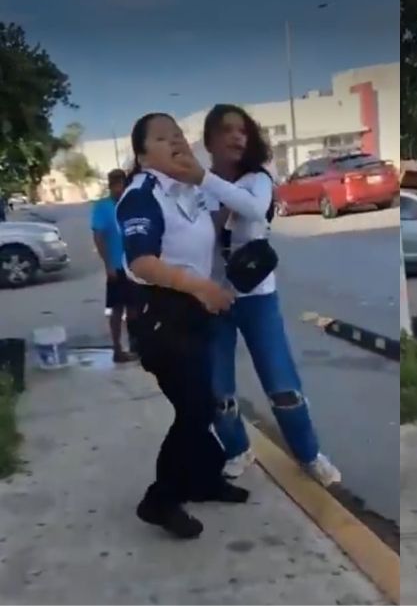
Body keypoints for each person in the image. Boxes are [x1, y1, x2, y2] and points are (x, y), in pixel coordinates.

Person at [196, 104, 341, 487]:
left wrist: (204, 181)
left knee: (282, 385)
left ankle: (310, 455)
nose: (237, 136)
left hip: (256, 296)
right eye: (226, 130)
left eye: (243, 130)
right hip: (211, 297)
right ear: (210, 139)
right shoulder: (197, 190)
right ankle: (237, 449)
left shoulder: (256, 180)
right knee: (217, 389)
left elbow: (254, 209)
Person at [117, 112, 246, 539]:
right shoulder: (141, 194)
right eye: (161, 138)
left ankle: (203, 479)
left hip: (191, 309)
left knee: (200, 403)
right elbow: (142, 261)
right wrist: (201, 287)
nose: (175, 141)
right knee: (194, 408)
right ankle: (161, 498)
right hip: (161, 312)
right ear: (141, 155)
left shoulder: (188, 190)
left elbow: (200, 232)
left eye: (178, 135)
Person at [92, 169, 139, 363]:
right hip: (117, 267)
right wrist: (108, 265)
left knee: (135, 308)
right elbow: (99, 237)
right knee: (117, 309)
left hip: (135, 266)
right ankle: (117, 349)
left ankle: (136, 345)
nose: (121, 188)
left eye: (123, 184)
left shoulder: (131, 204)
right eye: (117, 184)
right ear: (111, 185)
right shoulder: (103, 207)